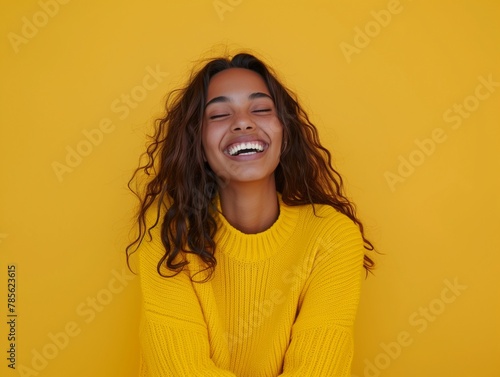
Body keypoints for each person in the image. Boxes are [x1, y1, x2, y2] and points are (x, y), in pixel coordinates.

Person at [126, 52, 375, 377]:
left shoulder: (331, 237)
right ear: (197, 143)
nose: (243, 122)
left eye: (260, 109)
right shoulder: (169, 233)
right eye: (218, 115)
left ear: (285, 133)